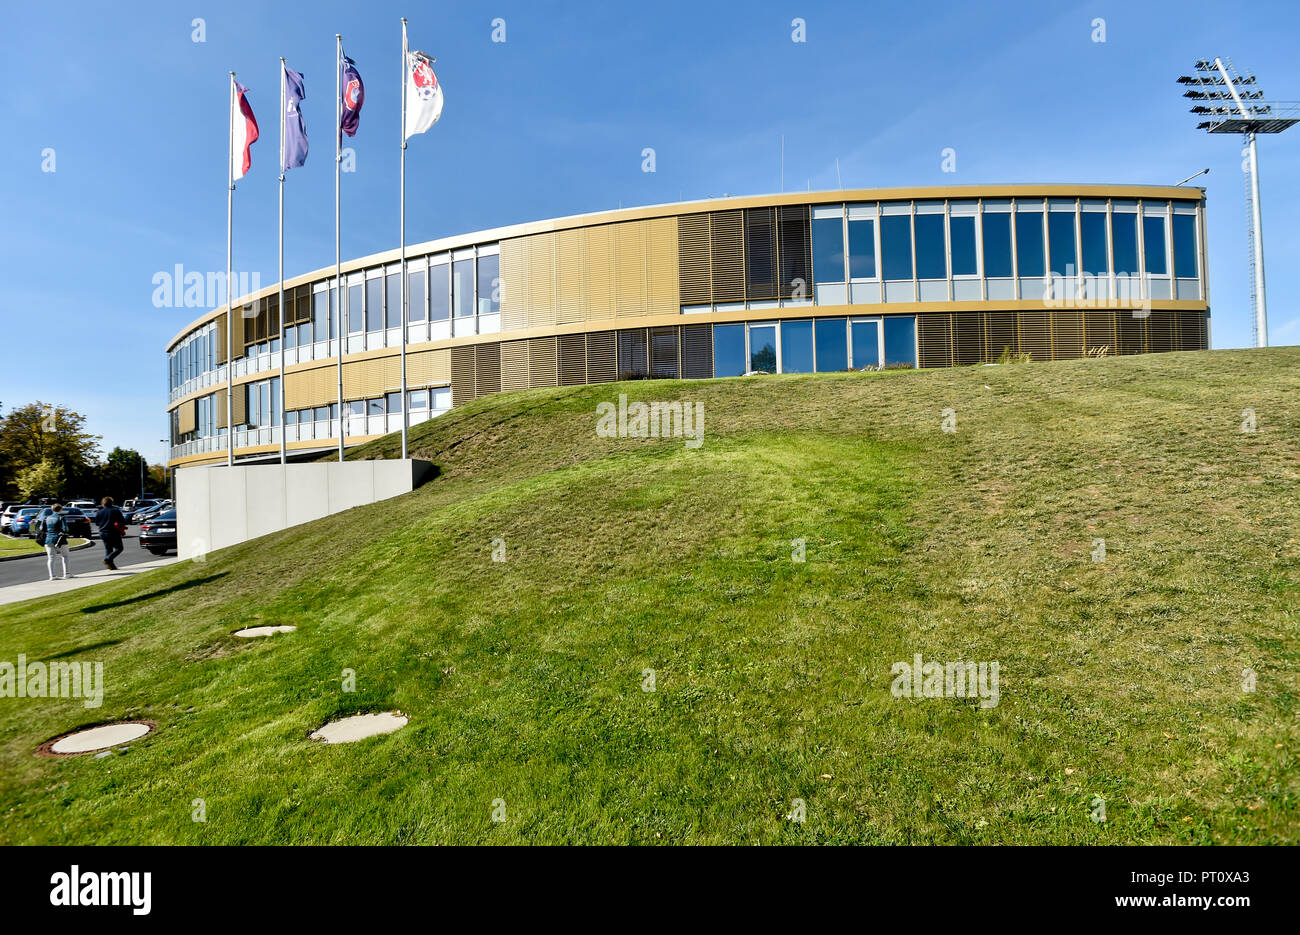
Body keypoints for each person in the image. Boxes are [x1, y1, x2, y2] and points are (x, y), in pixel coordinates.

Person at [94, 496, 127, 570]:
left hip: (102, 532)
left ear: (103, 503)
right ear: (112, 502)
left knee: (108, 549)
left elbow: (96, 523)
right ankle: (107, 559)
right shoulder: (115, 510)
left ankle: (111, 566)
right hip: (113, 532)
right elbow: (122, 521)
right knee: (119, 548)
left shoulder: (99, 512)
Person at [43, 503, 73, 581]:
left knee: (51, 558)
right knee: (65, 556)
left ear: (52, 509)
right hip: (60, 539)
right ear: (60, 509)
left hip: (49, 539)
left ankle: (52, 575)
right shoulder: (61, 517)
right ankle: (67, 574)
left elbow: (42, 528)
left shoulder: (47, 518)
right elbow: (65, 529)